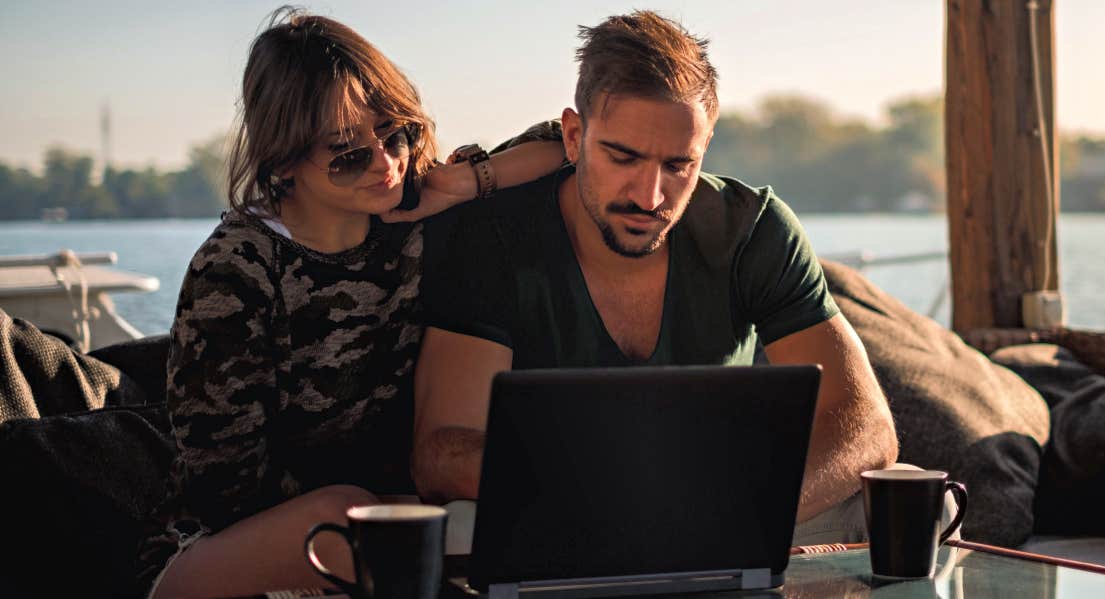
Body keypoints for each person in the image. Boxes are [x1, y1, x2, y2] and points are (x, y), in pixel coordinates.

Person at [415, 11, 898, 533]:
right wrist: (626, 492)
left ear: (704, 147)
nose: (650, 197)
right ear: (573, 136)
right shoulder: (496, 238)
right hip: (565, 508)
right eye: (622, 157)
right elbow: (443, 450)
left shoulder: (753, 230)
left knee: (911, 503)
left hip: (726, 512)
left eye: (677, 166)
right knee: (460, 526)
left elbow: (866, 427)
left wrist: (735, 513)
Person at [139, 9, 564, 598]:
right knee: (354, 519)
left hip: (388, 526)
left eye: (395, 135)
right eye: (347, 155)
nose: (386, 164)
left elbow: (566, 143)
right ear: (283, 161)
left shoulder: (412, 213)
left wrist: (462, 184)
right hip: (224, 551)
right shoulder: (235, 270)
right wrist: (393, 508)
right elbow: (224, 486)